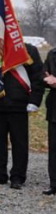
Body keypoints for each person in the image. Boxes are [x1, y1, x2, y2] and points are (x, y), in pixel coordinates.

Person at [0, 42, 43, 189]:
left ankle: (18, 176)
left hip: (19, 104)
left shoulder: (28, 50)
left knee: (19, 143)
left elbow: (37, 76)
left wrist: (34, 100)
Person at [43, 47, 56, 195]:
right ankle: (54, 183)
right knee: (53, 148)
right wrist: (48, 80)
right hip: (54, 108)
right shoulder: (52, 54)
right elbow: (44, 74)